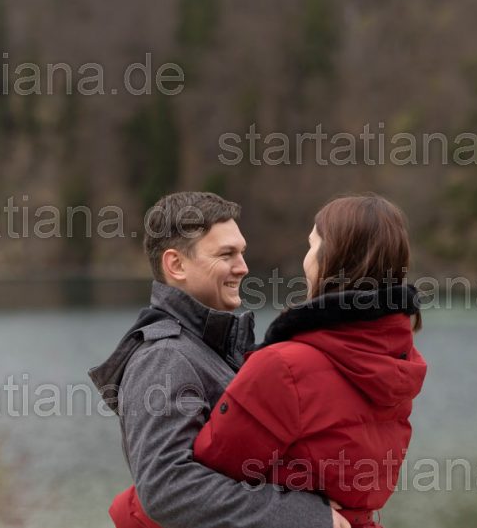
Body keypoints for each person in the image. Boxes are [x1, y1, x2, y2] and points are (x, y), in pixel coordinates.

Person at [109, 194, 427, 528]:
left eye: (242, 252)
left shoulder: (223, 349)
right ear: (176, 265)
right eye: (226, 254)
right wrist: (311, 517)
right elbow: (167, 490)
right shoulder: (163, 356)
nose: (243, 267)